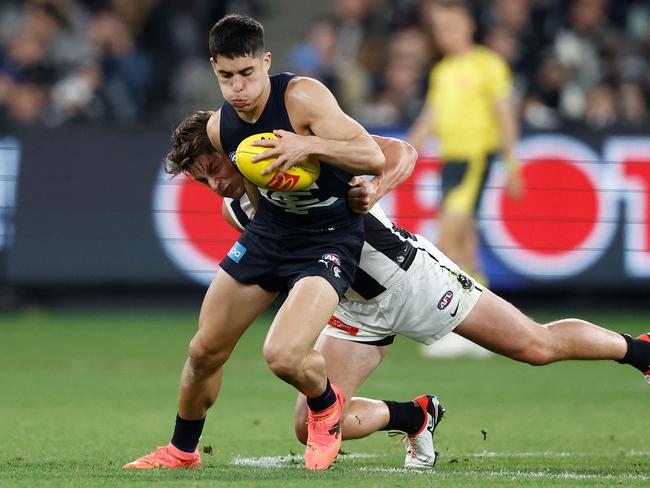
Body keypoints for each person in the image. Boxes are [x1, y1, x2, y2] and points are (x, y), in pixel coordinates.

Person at [149, 110, 650, 470]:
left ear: (235, 148)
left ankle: (637, 351)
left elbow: (402, 151)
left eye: (213, 168)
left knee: (536, 347)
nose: (214, 184)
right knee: (311, 425)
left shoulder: (308, 155)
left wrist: (376, 187)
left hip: (411, 281)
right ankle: (417, 415)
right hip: (351, 308)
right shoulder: (236, 211)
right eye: (200, 180)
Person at [124, 14, 386, 472]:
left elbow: (372, 155)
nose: (238, 87)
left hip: (329, 240)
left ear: (265, 62)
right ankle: (183, 451)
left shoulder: (302, 97)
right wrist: (252, 229)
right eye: (226, 76)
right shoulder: (219, 130)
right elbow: (252, 191)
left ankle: (325, 407)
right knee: (204, 350)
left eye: (247, 73)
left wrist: (309, 147)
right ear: (214, 70)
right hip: (271, 237)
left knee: (283, 356)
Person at [407, 0, 523, 285]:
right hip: (451, 160)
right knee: (466, 242)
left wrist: (513, 166)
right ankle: (484, 299)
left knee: (447, 237)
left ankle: (453, 309)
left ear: (469, 27)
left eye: (451, 27)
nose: (445, 34)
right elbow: (429, 119)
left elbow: (505, 116)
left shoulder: (488, 64)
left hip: (475, 157)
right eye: (440, 29)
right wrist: (405, 152)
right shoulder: (442, 71)